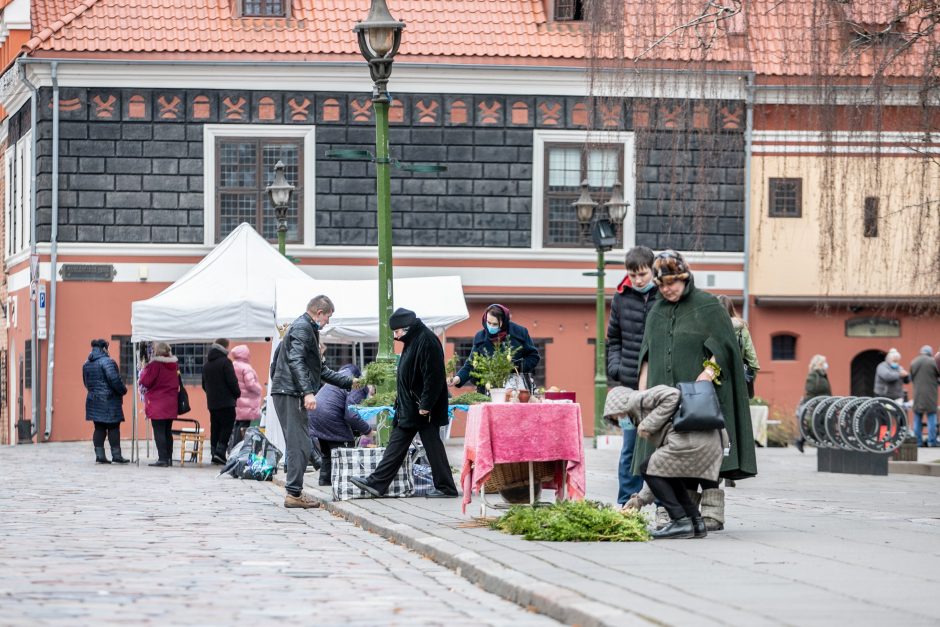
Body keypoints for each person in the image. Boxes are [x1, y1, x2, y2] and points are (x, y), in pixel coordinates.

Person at [636, 250, 757, 532]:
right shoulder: (656, 311)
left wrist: (707, 374)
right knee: (673, 454)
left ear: (685, 278)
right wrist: (641, 396)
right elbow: (647, 355)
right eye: (662, 284)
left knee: (704, 451)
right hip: (666, 397)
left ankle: (712, 511)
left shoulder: (708, 306)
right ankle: (684, 513)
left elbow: (726, 347)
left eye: (673, 283)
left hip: (702, 397)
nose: (667, 289)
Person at [351, 308, 458, 499]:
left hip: (421, 408)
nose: (395, 336)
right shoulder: (414, 340)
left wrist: (425, 404)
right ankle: (378, 483)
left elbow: (433, 376)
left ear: (407, 328)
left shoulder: (426, 340)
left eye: (397, 331)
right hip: (410, 407)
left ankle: (445, 487)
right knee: (400, 445)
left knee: (429, 446)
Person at [270, 295, 357, 508]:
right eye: (328, 316)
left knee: (299, 441)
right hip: (291, 392)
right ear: (319, 312)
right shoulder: (303, 328)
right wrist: (307, 392)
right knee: (298, 442)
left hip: (289, 390)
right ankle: (294, 494)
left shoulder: (305, 328)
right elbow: (296, 361)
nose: (328, 321)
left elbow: (320, 370)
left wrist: (350, 382)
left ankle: (296, 490)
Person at [608, 385, 727, 539]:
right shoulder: (642, 411)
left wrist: (648, 424)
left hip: (698, 441)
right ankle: (695, 521)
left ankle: (680, 519)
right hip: (704, 441)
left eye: (616, 417)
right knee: (661, 470)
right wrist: (639, 500)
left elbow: (673, 394)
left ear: (618, 406)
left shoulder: (638, 400)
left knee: (648, 467)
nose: (620, 422)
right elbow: (658, 471)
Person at [605, 245, 657, 507]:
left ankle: (662, 503)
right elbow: (613, 339)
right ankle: (627, 501)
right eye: (633, 275)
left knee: (659, 446)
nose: (638, 280)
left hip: (659, 385)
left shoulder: (664, 295)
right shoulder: (621, 297)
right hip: (628, 384)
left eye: (643, 275)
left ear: (653, 270)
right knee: (630, 447)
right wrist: (615, 370)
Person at [448, 304, 540, 393]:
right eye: (489, 323)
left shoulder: (519, 333)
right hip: (487, 389)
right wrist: (457, 378)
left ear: (503, 322)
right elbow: (471, 365)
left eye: (495, 324)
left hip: (516, 389)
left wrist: (515, 366)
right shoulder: (480, 338)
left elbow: (533, 357)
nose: (491, 327)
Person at [308, 363, 371, 486]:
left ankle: (325, 481)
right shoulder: (359, 385)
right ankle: (346, 484)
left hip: (314, 414)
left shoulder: (340, 375)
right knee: (346, 449)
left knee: (327, 453)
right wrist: (368, 431)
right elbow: (351, 415)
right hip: (329, 416)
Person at [82, 339, 129, 464]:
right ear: (104, 348)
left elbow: (86, 383)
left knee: (99, 428)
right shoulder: (107, 362)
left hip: (93, 400)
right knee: (113, 427)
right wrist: (123, 390)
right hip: (109, 401)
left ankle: (100, 456)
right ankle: (116, 456)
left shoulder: (87, 364)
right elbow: (114, 380)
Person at [139, 342, 180, 467]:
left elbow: (145, 381)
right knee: (167, 431)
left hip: (158, 402)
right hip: (171, 402)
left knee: (159, 431)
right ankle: (168, 458)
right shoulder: (174, 364)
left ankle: (162, 459)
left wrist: (145, 368)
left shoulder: (155, 365)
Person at [202, 338, 241, 464]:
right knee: (227, 425)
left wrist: (211, 394)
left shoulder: (206, 364)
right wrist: (237, 393)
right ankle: (220, 452)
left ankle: (214, 453)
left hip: (212, 402)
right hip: (226, 401)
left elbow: (204, 384)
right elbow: (232, 382)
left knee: (215, 427)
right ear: (225, 347)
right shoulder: (226, 362)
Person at [717, 295, 760, 399]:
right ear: (731, 308)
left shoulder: (710, 327)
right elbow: (753, 360)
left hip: (715, 377)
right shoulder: (741, 328)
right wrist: (749, 379)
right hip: (737, 378)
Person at [794, 354, 831, 453]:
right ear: (819, 364)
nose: (826, 364)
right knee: (816, 424)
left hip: (823, 403)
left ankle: (803, 441)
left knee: (821, 424)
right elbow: (810, 389)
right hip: (816, 404)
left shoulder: (822, 374)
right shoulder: (813, 375)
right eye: (824, 362)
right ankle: (802, 441)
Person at [231, 344, 262, 448]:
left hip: (237, 400)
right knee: (244, 427)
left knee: (237, 425)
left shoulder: (233, 365)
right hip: (248, 402)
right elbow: (250, 384)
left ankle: (233, 447)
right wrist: (259, 389)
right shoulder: (246, 367)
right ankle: (239, 448)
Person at [910, 345, 939, 447]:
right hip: (930, 395)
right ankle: (932, 442)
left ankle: (918, 442)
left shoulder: (914, 361)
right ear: (930, 352)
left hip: (918, 395)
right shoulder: (933, 362)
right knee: (932, 419)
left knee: (917, 418)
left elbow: (911, 378)